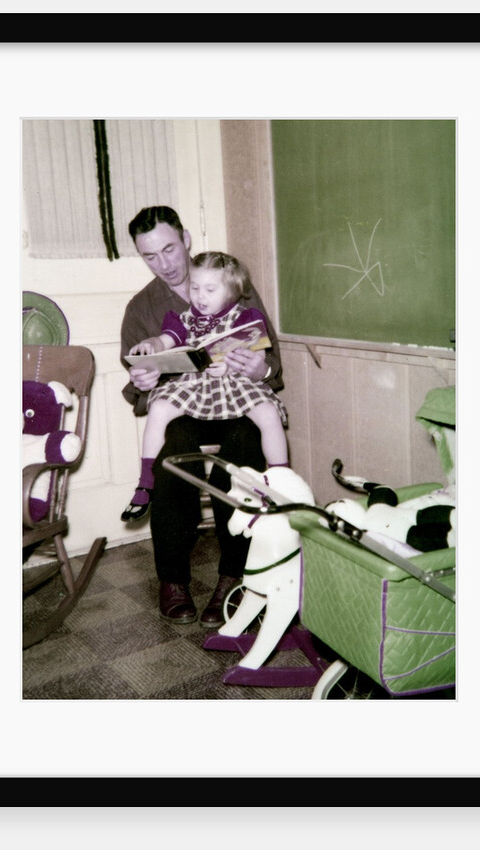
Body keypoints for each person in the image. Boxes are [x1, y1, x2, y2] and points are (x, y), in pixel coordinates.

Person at [120, 206, 284, 627]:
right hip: (186, 406)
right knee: (173, 452)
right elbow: (137, 388)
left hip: (236, 400)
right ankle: (173, 579)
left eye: (169, 249)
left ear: (186, 239)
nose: (164, 264)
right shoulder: (141, 307)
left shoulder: (232, 284)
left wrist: (259, 368)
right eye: (150, 256)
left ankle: (234, 575)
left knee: (246, 443)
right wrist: (144, 379)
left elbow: (272, 363)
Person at [122, 250, 288, 521]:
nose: (200, 296)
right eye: (195, 287)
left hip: (235, 385)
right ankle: (145, 482)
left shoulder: (246, 317)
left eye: (210, 289)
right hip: (194, 387)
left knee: (269, 413)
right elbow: (166, 340)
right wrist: (151, 344)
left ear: (232, 291)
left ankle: (280, 479)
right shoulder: (183, 319)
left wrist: (234, 364)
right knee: (159, 408)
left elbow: (258, 354)